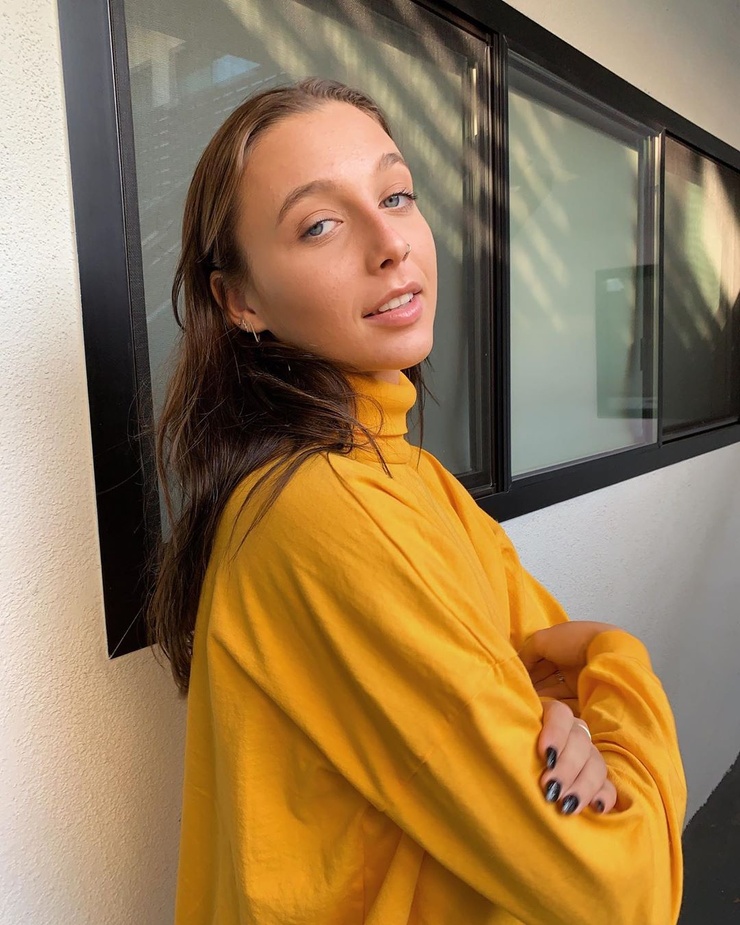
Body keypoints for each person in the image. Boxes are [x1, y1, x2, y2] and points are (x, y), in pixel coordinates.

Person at [149, 78, 686, 925]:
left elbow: (535, 672)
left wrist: (562, 710)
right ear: (239, 300)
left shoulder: (409, 475)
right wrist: (620, 665)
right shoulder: (323, 511)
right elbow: (617, 885)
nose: (390, 244)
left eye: (395, 195)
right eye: (319, 224)